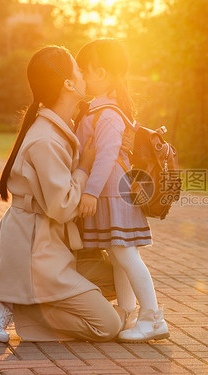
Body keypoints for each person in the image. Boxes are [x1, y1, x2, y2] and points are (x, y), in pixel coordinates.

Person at [0, 45, 122, 343]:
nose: (84, 73)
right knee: (108, 325)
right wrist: (85, 167)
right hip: (37, 255)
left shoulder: (63, 128)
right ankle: (17, 300)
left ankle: (27, 298)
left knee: (123, 277)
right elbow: (62, 207)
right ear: (68, 84)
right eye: (78, 68)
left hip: (56, 246)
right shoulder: (45, 139)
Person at [75, 38, 169, 342]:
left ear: (100, 73)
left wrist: (89, 192)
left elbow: (105, 156)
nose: (83, 77)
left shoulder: (109, 114)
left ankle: (153, 317)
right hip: (112, 194)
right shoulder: (101, 110)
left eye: (85, 71)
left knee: (126, 255)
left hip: (113, 195)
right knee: (118, 256)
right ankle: (128, 313)